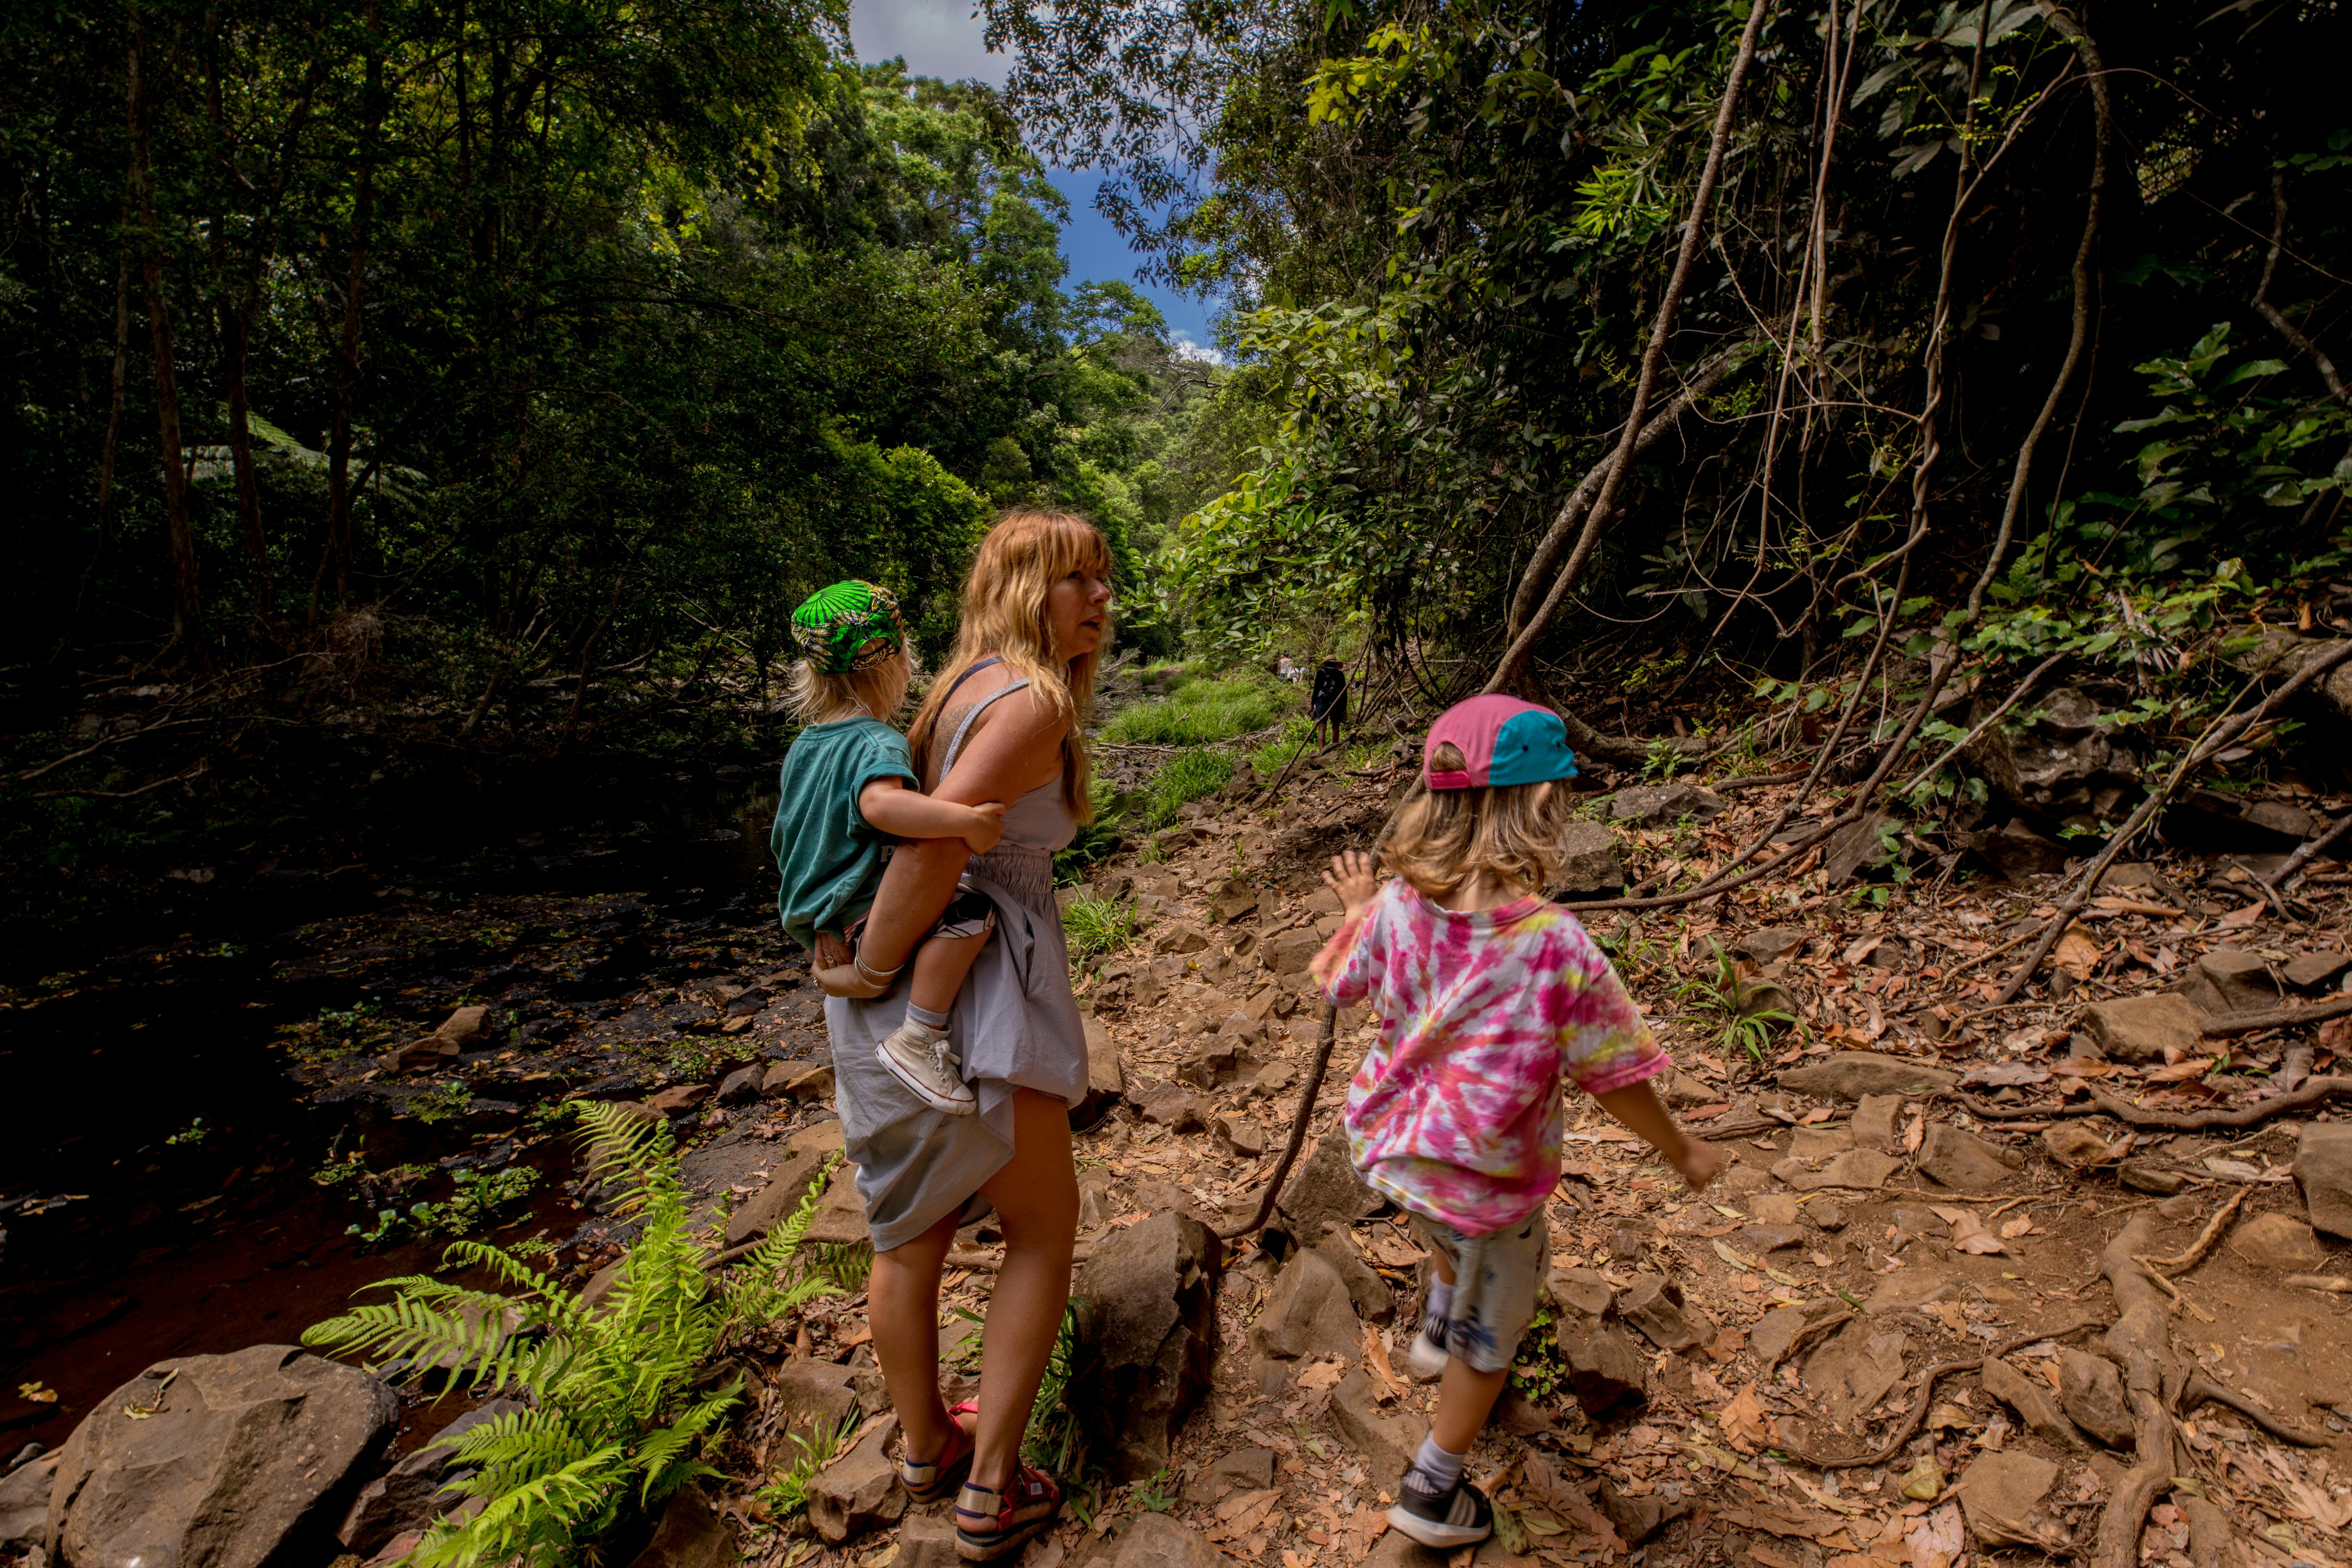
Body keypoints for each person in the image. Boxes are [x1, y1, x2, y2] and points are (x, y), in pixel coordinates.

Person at [1309, 694, 1722, 1550]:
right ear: (1541, 807)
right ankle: (1433, 1486)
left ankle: (1434, 1321)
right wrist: (1681, 1149)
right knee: (1492, 1338)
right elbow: (1615, 1077)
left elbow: (1341, 983)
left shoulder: (1394, 906)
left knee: (1441, 1226)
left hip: (1391, 1152)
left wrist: (1355, 912)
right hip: (1490, 1185)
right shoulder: (1553, 944)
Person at [808, 511, 1111, 1563]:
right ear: (1024, 586)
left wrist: (861, 983)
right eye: (1077, 578)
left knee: (910, 1232)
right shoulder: (1028, 700)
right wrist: (883, 969)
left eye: (1102, 578)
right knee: (1040, 1227)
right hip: (975, 982)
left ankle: (928, 1449)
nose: (1100, 598)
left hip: (901, 982)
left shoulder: (952, 686)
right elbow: (939, 848)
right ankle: (989, 1490)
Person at [768, 580, 1008, 1114]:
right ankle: (920, 1037)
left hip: (819, 912)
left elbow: (793, 835)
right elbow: (881, 808)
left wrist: (816, 919)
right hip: (859, 912)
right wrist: (968, 821)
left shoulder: (805, 746)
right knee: (975, 913)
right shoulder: (877, 742)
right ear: (897, 663)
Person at [1310, 656, 1347, 745]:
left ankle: (1322, 752)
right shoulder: (1340, 674)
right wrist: (1344, 707)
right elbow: (1344, 692)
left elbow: (1316, 690)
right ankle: (1334, 748)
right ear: (1335, 664)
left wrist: (1312, 705)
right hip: (1337, 703)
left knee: (1322, 728)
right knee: (1336, 727)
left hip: (1323, 701)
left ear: (1325, 664)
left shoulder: (1321, 673)